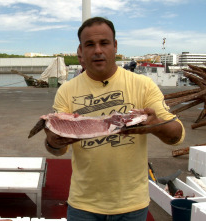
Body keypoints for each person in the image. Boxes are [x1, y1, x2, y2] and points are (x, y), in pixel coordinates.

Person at [44, 17, 185, 221]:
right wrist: (52, 141)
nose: (98, 50)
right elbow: (58, 150)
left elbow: (177, 135)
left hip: (132, 205)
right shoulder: (66, 91)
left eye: (104, 43)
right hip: (83, 204)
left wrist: (155, 126)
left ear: (115, 46)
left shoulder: (143, 85)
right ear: (81, 51)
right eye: (90, 45)